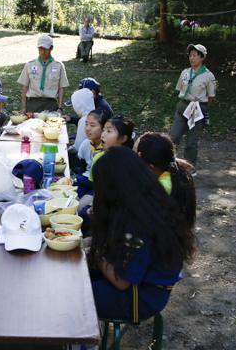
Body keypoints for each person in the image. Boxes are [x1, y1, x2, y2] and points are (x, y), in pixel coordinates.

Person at [87, 146, 196, 323]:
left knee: (71, 295)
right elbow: (116, 241)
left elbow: (121, 281)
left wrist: (95, 254)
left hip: (139, 298)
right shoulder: (143, 201)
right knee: (73, 275)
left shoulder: (138, 224)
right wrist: (85, 244)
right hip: (134, 280)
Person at [170, 44, 216, 174]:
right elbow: (179, 89)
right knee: (173, 137)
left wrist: (202, 108)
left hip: (198, 108)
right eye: (190, 55)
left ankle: (189, 169)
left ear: (202, 58)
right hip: (183, 106)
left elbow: (211, 96)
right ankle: (169, 164)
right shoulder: (185, 72)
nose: (192, 58)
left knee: (191, 142)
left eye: (195, 55)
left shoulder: (208, 76)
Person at [134, 132, 197, 228]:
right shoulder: (175, 172)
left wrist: (134, 167)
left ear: (150, 167)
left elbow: (134, 206)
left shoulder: (161, 187)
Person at [79, 116, 136, 215]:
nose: (103, 135)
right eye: (104, 130)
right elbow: (97, 188)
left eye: (109, 131)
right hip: (100, 203)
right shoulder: (99, 158)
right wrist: (94, 206)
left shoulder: (130, 162)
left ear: (123, 138)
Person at [17, 35, 69, 114]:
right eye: (40, 48)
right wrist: (24, 107)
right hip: (33, 104)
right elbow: (25, 86)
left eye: (45, 49)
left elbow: (61, 88)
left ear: (51, 48)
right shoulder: (30, 65)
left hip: (50, 104)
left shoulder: (58, 65)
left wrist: (60, 108)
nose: (43, 51)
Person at [75, 109, 109, 201]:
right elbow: (82, 167)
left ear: (104, 128)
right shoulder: (86, 144)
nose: (87, 128)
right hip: (84, 183)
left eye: (92, 125)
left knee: (79, 208)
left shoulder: (108, 149)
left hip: (98, 187)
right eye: (86, 124)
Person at [67, 88, 95, 174]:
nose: (74, 109)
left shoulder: (85, 120)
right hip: (92, 156)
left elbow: (78, 148)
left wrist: (65, 148)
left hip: (86, 161)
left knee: (64, 156)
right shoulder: (96, 115)